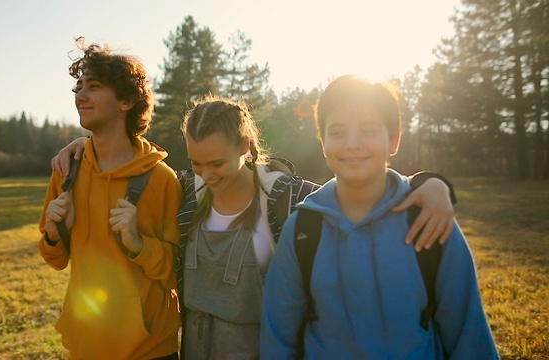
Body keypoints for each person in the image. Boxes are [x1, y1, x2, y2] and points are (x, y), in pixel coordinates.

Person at [53, 94, 456, 359]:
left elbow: (356, 186)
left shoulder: (287, 197)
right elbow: (133, 162)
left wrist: (430, 182)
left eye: (217, 164)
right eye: (196, 164)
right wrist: (84, 146)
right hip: (194, 350)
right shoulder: (184, 193)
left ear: (245, 147)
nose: (206, 174)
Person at [260, 75, 499, 359]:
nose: (352, 144)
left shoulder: (428, 219)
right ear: (322, 141)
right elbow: (278, 335)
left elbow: (467, 333)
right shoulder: (302, 228)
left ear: (394, 139)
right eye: (337, 132)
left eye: (369, 130)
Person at [39, 39, 182, 360]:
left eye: (94, 86)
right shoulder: (66, 169)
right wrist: (53, 231)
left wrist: (138, 243)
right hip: (86, 346)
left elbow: (180, 272)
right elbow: (55, 259)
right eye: (78, 88)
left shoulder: (161, 180)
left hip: (150, 349)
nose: (80, 96)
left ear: (127, 101)